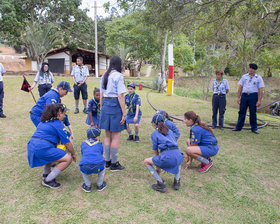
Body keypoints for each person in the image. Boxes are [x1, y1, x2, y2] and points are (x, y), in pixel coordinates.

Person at [27, 104, 76, 189]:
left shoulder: (43, 121)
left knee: (51, 152)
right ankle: (48, 180)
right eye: (64, 113)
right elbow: (67, 143)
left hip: (32, 146)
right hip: (42, 148)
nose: (64, 115)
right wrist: (73, 154)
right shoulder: (58, 124)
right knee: (67, 159)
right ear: (59, 113)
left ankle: (46, 173)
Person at [143, 113, 184, 193]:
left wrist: (158, 166)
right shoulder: (170, 131)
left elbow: (156, 151)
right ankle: (177, 181)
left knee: (146, 162)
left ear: (154, 124)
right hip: (179, 155)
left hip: (168, 157)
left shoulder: (154, 134)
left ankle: (160, 184)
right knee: (177, 160)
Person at [100, 56, 126, 172]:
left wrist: (102, 108)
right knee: (116, 136)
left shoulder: (104, 75)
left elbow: (101, 94)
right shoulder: (118, 76)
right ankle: (114, 164)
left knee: (107, 135)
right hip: (115, 105)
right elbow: (120, 96)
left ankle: (107, 161)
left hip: (105, 104)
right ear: (119, 64)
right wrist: (124, 113)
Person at [232, 63, 265, 134]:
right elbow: (240, 87)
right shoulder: (244, 77)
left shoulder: (258, 78)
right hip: (244, 95)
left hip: (253, 96)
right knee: (241, 111)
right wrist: (238, 97)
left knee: (253, 112)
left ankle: (254, 128)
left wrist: (259, 100)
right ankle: (238, 127)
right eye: (250, 68)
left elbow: (260, 90)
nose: (251, 70)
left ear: (255, 70)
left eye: (253, 69)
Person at [79, 126, 106, 193]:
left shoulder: (83, 144)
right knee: (102, 167)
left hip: (85, 166)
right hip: (98, 166)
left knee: (83, 168)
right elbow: (101, 154)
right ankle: (100, 184)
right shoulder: (99, 144)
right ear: (97, 137)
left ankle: (87, 185)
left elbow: (83, 153)